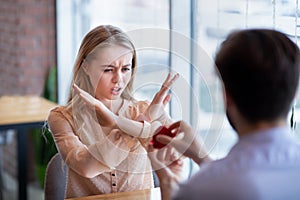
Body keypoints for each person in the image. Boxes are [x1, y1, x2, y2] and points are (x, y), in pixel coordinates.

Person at [148, 29, 300, 200]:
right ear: (294, 95)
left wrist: (167, 183)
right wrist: (203, 158)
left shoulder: (202, 188)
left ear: (226, 97)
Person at [47, 25, 179, 198]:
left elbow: (176, 155)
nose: (119, 79)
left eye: (125, 69)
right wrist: (142, 122)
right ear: (85, 67)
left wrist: (155, 118)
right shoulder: (62, 117)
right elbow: (87, 167)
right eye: (109, 69)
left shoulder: (145, 108)